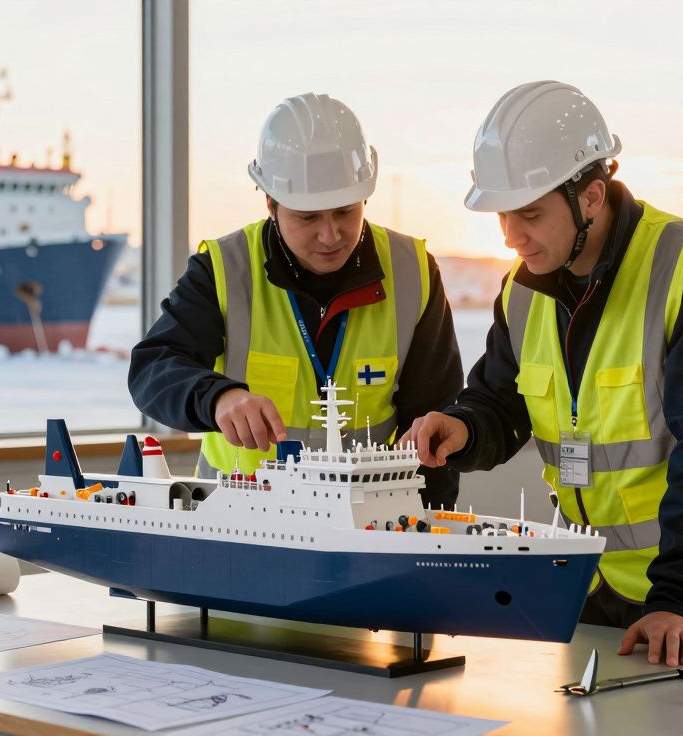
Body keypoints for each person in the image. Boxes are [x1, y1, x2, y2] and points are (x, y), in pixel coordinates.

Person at [401, 81, 683, 666]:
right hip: (593, 573)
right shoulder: (523, 289)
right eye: (503, 214)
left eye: (529, 213)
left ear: (590, 196)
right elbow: (502, 401)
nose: (510, 235)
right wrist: (464, 429)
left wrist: (677, 598)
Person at [129, 93, 463, 507]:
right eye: (308, 217)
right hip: (240, 522)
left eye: (344, 211)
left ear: (365, 197)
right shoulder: (224, 268)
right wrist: (218, 397)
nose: (330, 235)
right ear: (270, 202)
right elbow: (153, 368)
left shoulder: (412, 271)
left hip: (368, 524)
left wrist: (425, 534)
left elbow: (435, 428)